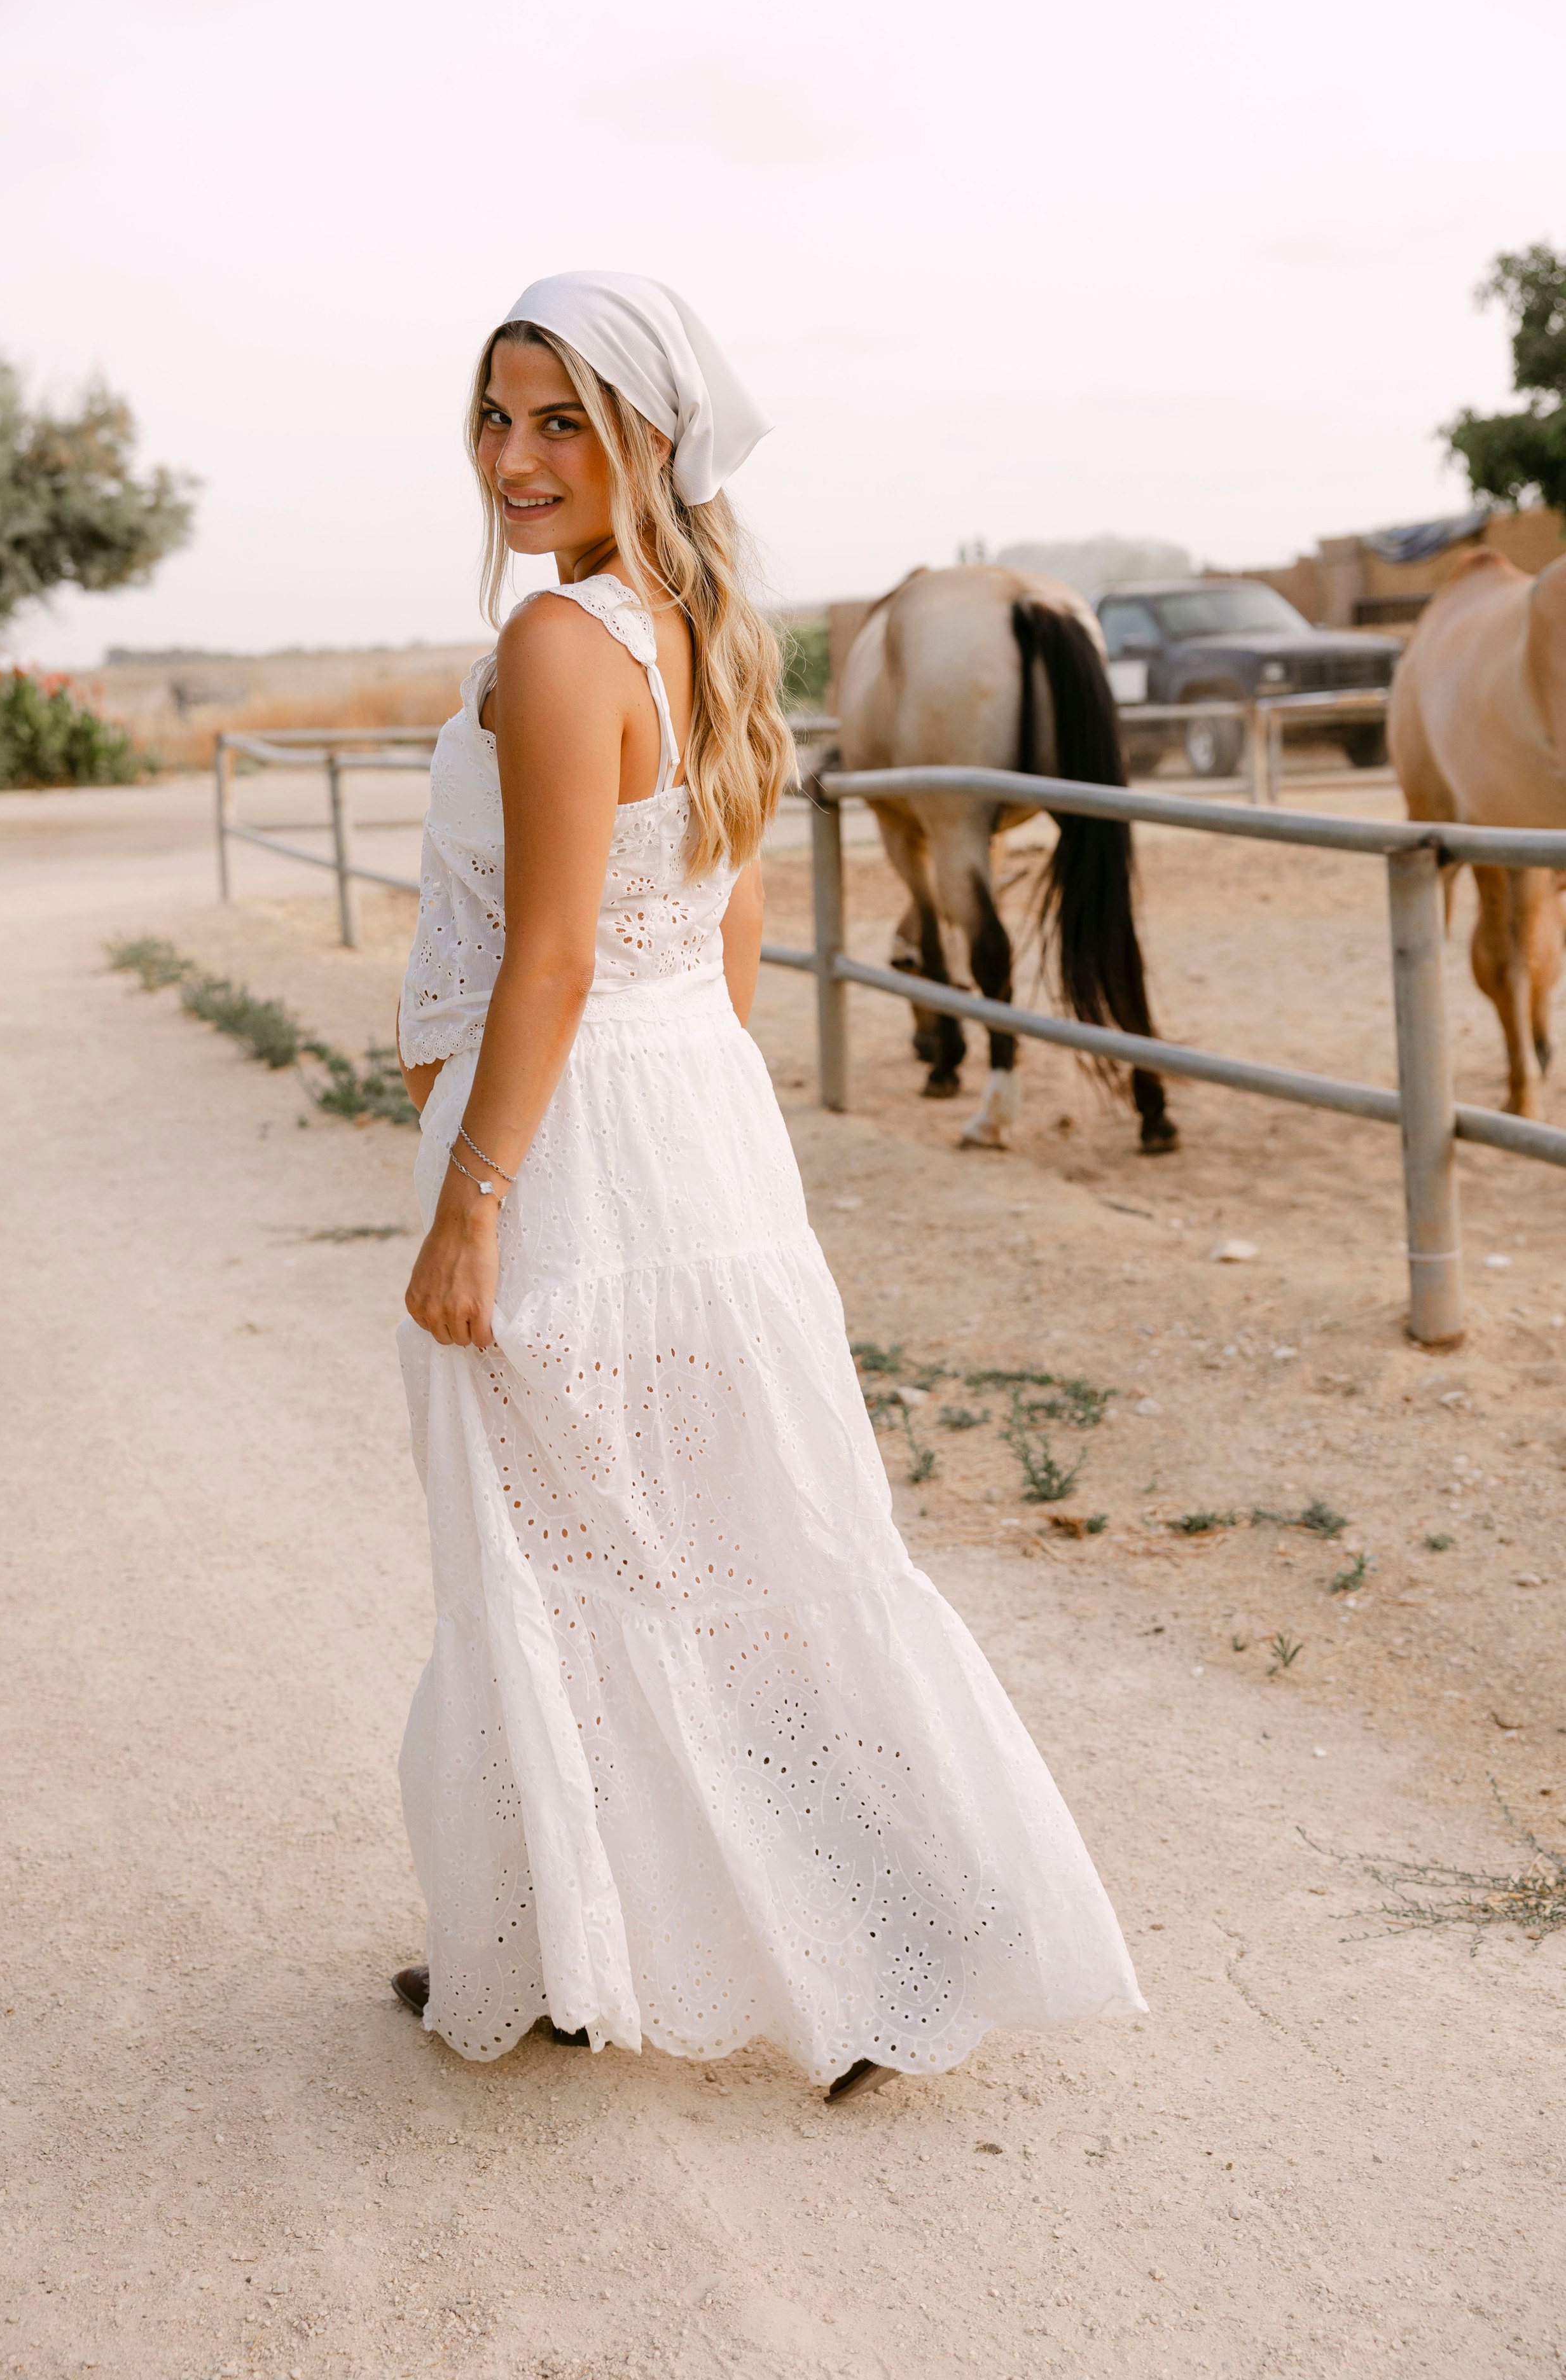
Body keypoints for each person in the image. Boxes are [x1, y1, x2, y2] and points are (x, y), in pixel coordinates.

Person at [391, 272, 1145, 2100]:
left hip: (574, 1134)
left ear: (652, 437)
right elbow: (725, 933)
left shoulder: (566, 646)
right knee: (727, 1535)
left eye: (562, 419)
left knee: (576, 1548)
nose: (517, 457)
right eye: (497, 417)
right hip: (688, 1126)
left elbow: (551, 957)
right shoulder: (697, 626)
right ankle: (802, 1927)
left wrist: (477, 1197)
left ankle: (690, 1944)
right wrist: (696, 1131)